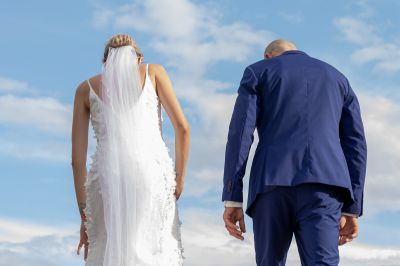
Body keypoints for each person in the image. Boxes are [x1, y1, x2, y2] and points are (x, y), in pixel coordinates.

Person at [222, 39, 367, 265]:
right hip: (325, 187)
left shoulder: (258, 72)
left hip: (271, 184)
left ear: (268, 57)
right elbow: (355, 144)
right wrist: (352, 207)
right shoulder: (338, 78)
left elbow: (240, 135)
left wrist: (232, 196)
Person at [71, 34, 190, 266]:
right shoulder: (153, 72)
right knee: (156, 246)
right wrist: (180, 178)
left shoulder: (84, 90)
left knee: (107, 247)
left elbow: (77, 161)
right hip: (151, 173)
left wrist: (85, 217)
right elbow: (183, 129)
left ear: (105, 62)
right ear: (138, 59)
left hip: (105, 179)